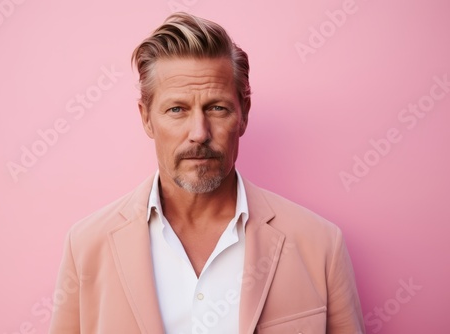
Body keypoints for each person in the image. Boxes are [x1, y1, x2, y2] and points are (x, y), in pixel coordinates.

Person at [49, 12, 365, 334]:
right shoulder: (87, 245)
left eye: (217, 108)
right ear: (146, 119)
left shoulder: (320, 244)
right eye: (177, 109)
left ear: (243, 115)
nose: (199, 133)